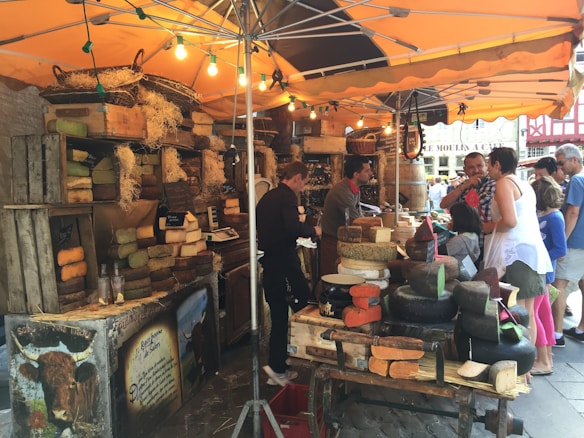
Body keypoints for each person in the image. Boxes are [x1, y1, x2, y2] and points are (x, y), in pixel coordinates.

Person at [256, 161, 322, 386]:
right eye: (303, 183)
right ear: (296, 178)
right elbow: (292, 228)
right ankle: (306, 357)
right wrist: (314, 230)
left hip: (270, 263)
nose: (302, 188)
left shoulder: (267, 197)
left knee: (278, 315)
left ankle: (278, 367)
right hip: (284, 262)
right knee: (303, 306)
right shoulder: (287, 198)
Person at [482, 147, 552, 350]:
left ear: (497, 164)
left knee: (516, 311)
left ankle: (521, 363)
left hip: (517, 254)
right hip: (530, 252)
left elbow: (510, 221)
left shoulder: (504, 183)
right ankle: (526, 364)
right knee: (527, 312)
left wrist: (486, 227)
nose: (488, 169)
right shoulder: (524, 184)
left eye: (489, 164)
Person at [530, 176, 567, 374]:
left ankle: (543, 360)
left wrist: (540, 258)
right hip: (542, 271)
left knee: (534, 315)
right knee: (543, 313)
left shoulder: (554, 218)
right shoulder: (547, 215)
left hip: (541, 272)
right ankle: (547, 357)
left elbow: (561, 249)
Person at [553, 143, 584, 345]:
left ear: (574, 159)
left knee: (559, 284)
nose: (559, 166)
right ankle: (581, 329)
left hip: (575, 241)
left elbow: (573, 212)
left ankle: (557, 333)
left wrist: (561, 243)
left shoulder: (577, 180)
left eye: (561, 162)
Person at [320, 155, 372, 276]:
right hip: (333, 243)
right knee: (331, 280)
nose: (370, 173)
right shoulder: (343, 192)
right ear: (356, 174)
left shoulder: (354, 189)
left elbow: (358, 214)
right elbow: (356, 221)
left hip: (341, 241)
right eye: (367, 170)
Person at [441, 152, 496, 263]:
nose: (476, 170)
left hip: (489, 245)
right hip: (467, 247)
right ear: (465, 170)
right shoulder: (464, 186)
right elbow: (443, 204)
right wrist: (465, 186)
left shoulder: (495, 184)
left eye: (479, 166)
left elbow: (474, 206)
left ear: (486, 165)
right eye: (471, 167)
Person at [445, 202, 481, 280]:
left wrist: (446, 231)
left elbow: (441, 253)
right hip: (469, 272)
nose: (450, 221)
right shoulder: (474, 236)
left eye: (452, 218)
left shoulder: (459, 241)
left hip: (458, 275)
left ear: (460, 220)